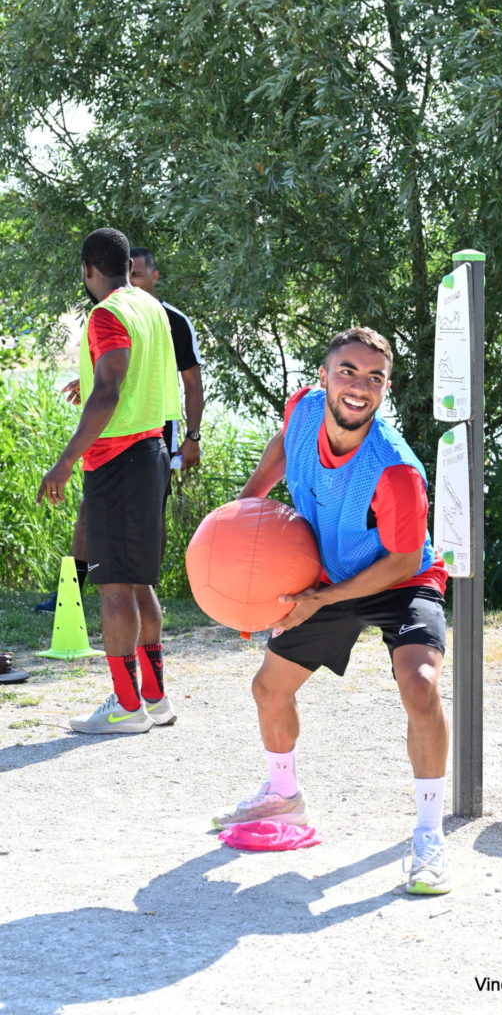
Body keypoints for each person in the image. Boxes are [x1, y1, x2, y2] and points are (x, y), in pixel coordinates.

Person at [212, 327, 452, 895]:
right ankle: (282, 794)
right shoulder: (304, 408)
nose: (359, 386)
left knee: (419, 684)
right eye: (347, 371)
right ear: (324, 377)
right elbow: (282, 446)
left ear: (385, 390)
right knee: (269, 689)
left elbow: (398, 562)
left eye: (374, 378)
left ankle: (428, 833)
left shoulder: (394, 470)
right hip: (325, 571)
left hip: (401, 578)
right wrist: (248, 508)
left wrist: (319, 600)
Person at [37, 227, 181, 734]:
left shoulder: (105, 314)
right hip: (152, 451)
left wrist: (64, 462)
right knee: (138, 581)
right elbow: (134, 371)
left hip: (116, 461)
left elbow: (110, 392)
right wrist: (93, 379)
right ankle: (155, 698)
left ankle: (126, 705)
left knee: (114, 588)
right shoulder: (148, 305)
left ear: (87, 270)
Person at [34, 246, 204, 612]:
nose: (134, 281)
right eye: (132, 274)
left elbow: (189, 383)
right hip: (125, 438)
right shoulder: (140, 312)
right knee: (88, 516)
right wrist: (91, 384)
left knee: (147, 523)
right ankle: (72, 592)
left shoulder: (163, 317)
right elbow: (118, 371)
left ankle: (142, 585)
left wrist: (193, 436)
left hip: (150, 433)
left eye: (140, 275)